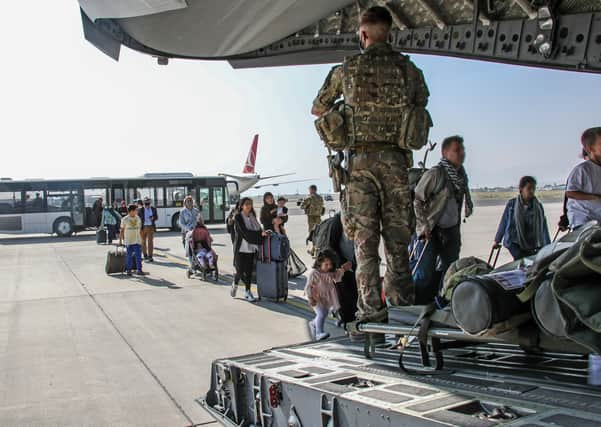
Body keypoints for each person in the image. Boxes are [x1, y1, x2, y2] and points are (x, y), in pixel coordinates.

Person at [312, 6, 429, 323]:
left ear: (362, 34)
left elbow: (318, 108)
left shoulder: (346, 70)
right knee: (398, 246)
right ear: (389, 31)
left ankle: (371, 316)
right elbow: (421, 103)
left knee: (364, 249)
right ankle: (403, 313)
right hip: (396, 164)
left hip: (360, 167)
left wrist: (343, 110)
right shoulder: (409, 71)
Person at [413, 136, 473, 304]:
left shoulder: (461, 177)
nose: (461, 153)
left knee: (449, 273)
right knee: (424, 274)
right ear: (444, 153)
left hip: (451, 230)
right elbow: (417, 200)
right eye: (456, 150)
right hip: (431, 231)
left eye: (462, 150)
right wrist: (423, 226)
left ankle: (440, 304)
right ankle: (417, 306)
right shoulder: (435, 174)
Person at [494, 176, 551, 260]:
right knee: (521, 259)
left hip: (530, 243)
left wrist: (548, 246)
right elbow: (504, 221)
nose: (532, 191)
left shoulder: (538, 207)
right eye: (529, 188)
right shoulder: (512, 204)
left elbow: (543, 226)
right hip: (513, 241)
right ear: (521, 189)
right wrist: (497, 240)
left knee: (529, 262)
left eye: (533, 189)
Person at [305, 252, 353, 340]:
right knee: (321, 314)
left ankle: (313, 324)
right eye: (326, 264)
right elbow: (308, 287)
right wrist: (310, 297)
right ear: (319, 263)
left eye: (330, 264)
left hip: (327, 298)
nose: (329, 266)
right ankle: (319, 333)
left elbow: (337, 276)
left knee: (324, 313)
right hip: (316, 297)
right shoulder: (314, 273)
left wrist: (343, 269)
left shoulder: (330, 272)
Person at [565, 127, 601, 230]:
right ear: (591, 149)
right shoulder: (582, 170)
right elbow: (570, 193)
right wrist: (596, 197)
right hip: (584, 222)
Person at [231, 197, 266, 302]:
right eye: (246, 204)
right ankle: (235, 283)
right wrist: (259, 235)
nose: (249, 206)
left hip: (251, 248)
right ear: (242, 205)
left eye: (250, 204)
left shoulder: (252, 216)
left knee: (249, 271)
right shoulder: (238, 217)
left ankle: (247, 291)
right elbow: (244, 232)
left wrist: (263, 233)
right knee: (240, 271)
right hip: (241, 248)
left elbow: (259, 229)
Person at [119, 204, 147, 276]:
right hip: (128, 240)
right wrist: (120, 240)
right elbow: (122, 230)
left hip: (137, 240)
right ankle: (128, 270)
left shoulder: (138, 218)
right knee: (129, 256)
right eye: (136, 210)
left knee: (138, 256)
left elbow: (140, 229)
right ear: (131, 211)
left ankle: (139, 270)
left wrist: (142, 239)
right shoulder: (125, 219)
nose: (137, 211)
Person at [138, 197, 158, 262]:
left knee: (150, 242)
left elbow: (156, 217)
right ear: (143, 203)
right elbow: (138, 218)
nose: (147, 205)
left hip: (150, 226)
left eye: (148, 203)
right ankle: (145, 255)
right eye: (146, 203)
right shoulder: (140, 209)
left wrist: (153, 218)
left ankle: (150, 256)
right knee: (143, 242)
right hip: (143, 227)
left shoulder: (153, 209)